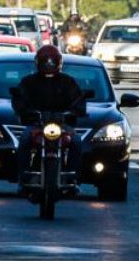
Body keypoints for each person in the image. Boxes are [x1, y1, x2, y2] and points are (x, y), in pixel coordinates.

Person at [11, 46, 86, 193]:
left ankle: (72, 178)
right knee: (25, 140)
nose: (49, 65)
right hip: (37, 125)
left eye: (53, 61)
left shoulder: (68, 82)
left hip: (62, 125)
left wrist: (73, 112)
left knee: (76, 141)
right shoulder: (28, 82)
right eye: (46, 61)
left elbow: (78, 100)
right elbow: (19, 100)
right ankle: (23, 178)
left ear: (59, 62)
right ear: (38, 62)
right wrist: (26, 112)